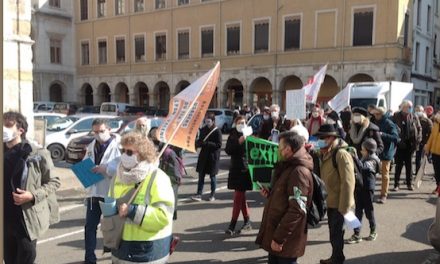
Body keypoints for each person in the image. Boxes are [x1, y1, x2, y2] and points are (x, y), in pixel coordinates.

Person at [3, 111, 60, 264]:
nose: (3, 129)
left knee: (26, 256)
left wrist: (33, 195)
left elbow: (54, 182)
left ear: (20, 130)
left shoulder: (37, 153)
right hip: (5, 220)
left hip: (26, 217)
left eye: (8, 126)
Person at [109, 132, 175, 263]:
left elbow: (163, 216)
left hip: (147, 251)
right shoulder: (117, 176)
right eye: (122, 150)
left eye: (129, 152)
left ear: (143, 154)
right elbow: (110, 204)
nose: (124, 155)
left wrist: (132, 211)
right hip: (119, 248)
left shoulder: (158, 177)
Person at [256, 132, 313, 264]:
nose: (277, 150)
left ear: (288, 149)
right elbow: (286, 197)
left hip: (286, 240)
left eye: (280, 147)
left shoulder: (298, 172)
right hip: (278, 235)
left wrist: (279, 238)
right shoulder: (288, 166)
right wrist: (271, 194)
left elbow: (297, 209)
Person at [315, 124, 355, 264]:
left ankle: (337, 259)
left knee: (336, 234)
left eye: (322, 137)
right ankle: (336, 256)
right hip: (330, 201)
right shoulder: (325, 152)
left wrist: (344, 207)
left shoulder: (341, 155)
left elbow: (348, 182)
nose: (319, 140)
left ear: (331, 138)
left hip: (340, 203)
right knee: (333, 233)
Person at [83, 119, 121, 264]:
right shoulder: (91, 146)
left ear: (109, 130)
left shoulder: (118, 146)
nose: (99, 135)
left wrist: (106, 169)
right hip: (94, 192)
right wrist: (87, 170)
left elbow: (123, 167)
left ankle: (115, 256)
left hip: (110, 193)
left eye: (102, 131)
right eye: (96, 132)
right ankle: (89, 258)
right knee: (90, 226)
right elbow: (87, 162)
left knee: (112, 226)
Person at [346, 139, 380, 244]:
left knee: (369, 211)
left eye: (363, 150)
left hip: (368, 189)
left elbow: (362, 167)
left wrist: (355, 157)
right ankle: (356, 234)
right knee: (358, 212)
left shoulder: (373, 160)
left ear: (369, 150)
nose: (361, 152)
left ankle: (373, 231)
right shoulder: (365, 157)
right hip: (360, 188)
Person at [224, 116, 253, 235]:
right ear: (235, 123)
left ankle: (232, 225)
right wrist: (238, 142)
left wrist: (247, 140)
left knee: (238, 197)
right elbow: (228, 150)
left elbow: (253, 151)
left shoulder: (249, 134)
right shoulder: (233, 134)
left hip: (244, 170)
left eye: (243, 122)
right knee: (241, 198)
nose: (242, 124)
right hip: (235, 168)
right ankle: (247, 221)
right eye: (239, 122)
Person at [149, 128, 182, 220]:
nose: (152, 139)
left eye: (154, 136)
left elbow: (174, 167)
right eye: (151, 136)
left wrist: (175, 179)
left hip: (170, 178)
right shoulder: (150, 148)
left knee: (171, 197)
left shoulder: (168, 152)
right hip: (158, 178)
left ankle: (172, 214)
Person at [371, 107, 400, 204]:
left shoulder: (389, 123)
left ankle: (383, 195)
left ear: (382, 114)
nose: (375, 116)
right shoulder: (374, 122)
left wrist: (382, 134)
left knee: (384, 175)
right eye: (374, 114)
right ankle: (371, 194)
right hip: (376, 151)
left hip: (386, 152)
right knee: (373, 174)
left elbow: (395, 138)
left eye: (377, 114)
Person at [192, 113, 222, 201]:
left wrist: (207, 143)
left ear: (213, 121)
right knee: (201, 176)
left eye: (209, 121)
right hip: (204, 156)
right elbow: (201, 141)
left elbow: (219, 145)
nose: (207, 123)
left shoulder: (217, 131)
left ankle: (212, 194)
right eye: (206, 121)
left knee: (212, 177)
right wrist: (197, 143)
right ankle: (199, 193)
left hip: (213, 157)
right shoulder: (203, 129)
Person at [392, 100, 422, 191]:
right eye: (409, 107)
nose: (410, 108)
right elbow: (393, 127)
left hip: (410, 144)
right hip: (400, 143)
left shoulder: (414, 116)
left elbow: (419, 128)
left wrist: (418, 140)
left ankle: (409, 184)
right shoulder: (396, 115)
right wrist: (397, 139)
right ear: (403, 107)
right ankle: (396, 185)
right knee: (399, 165)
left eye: (411, 107)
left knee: (409, 165)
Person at [425, 112, 440, 194]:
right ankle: (438, 186)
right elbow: (432, 136)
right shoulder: (436, 123)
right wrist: (427, 148)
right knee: (437, 172)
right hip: (435, 152)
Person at [415, 105, 433, 174]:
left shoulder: (427, 121)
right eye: (416, 110)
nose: (417, 112)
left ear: (423, 111)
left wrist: (427, 143)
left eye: (419, 110)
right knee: (417, 159)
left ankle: (419, 172)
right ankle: (417, 172)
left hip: (423, 142)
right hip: (414, 142)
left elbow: (431, 134)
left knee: (420, 158)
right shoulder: (413, 119)